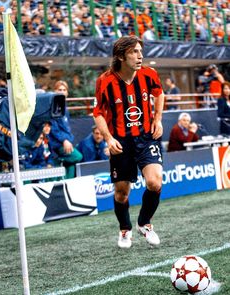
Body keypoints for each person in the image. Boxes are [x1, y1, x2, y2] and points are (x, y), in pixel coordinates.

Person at [93, 36, 165, 249]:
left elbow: (159, 93)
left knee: (155, 182)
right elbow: (97, 113)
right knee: (122, 193)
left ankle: (144, 223)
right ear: (121, 56)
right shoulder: (105, 81)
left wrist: (157, 119)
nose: (140, 55)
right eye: (134, 52)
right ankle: (125, 229)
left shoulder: (149, 74)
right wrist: (108, 138)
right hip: (120, 142)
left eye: (140, 51)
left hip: (145, 137)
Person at [48, 80, 83, 179]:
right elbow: (53, 129)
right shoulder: (52, 107)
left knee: (71, 163)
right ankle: (59, 159)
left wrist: (69, 140)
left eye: (64, 90)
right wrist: (64, 140)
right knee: (77, 157)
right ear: (55, 91)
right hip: (56, 143)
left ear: (67, 93)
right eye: (59, 90)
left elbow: (67, 129)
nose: (62, 92)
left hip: (66, 142)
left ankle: (69, 185)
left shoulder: (64, 107)